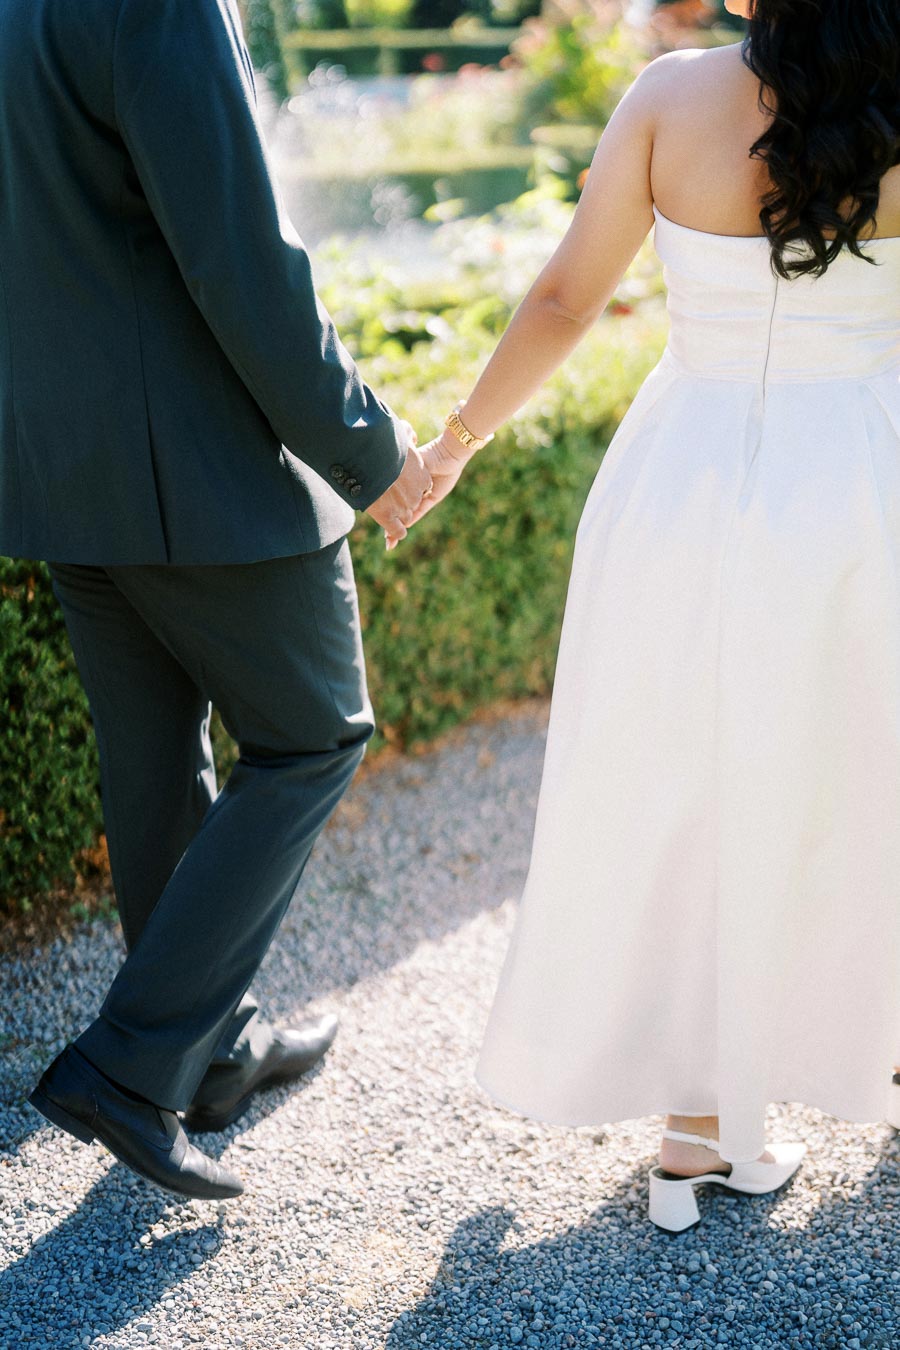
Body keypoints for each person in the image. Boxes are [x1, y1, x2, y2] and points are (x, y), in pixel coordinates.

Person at [407, 0, 900, 1230]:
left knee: (685, 781)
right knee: (866, 767)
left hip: (682, 490)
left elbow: (570, 298)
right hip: (861, 480)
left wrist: (456, 444)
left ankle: (695, 1126)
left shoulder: (671, 99)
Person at [5, 0, 432, 1200]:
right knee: (314, 735)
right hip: (200, 464)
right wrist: (369, 447)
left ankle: (215, 1050)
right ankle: (131, 1069)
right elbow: (241, 254)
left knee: (152, 753)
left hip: (58, 462)